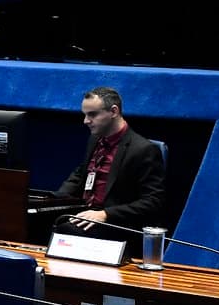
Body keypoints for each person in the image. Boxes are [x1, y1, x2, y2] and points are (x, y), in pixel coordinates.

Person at [55, 87, 164, 232]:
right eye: (85, 115)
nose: (86, 121)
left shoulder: (144, 150)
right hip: (84, 213)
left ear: (114, 111)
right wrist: (53, 200)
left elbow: (152, 202)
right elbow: (82, 174)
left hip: (115, 222)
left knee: (66, 231)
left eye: (92, 115)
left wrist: (105, 214)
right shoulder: (95, 139)